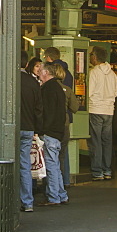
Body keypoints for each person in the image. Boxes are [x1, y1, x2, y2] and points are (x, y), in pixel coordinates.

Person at [37, 62, 68, 206]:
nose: (39, 72)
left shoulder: (48, 89)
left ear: (47, 73)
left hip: (49, 132)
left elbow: (46, 113)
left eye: (41, 70)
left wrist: (41, 129)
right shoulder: (59, 88)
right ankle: (61, 194)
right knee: (55, 165)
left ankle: (54, 197)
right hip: (57, 132)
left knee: (50, 165)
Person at [88, 46, 117, 181]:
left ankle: (97, 171)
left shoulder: (94, 72)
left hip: (95, 109)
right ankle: (107, 170)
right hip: (109, 110)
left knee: (96, 141)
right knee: (107, 141)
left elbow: (89, 92)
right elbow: (116, 93)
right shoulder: (112, 74)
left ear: (94, 57)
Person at [19, 51, 43, 212]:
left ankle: (8, 200)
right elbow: (38, 109)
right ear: (27, 64)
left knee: (7, 164)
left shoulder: (8, 79)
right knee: (24, 165)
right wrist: (37, 129)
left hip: (10, 128)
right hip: (28, 128)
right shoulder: (33, 83)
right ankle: (27, 201)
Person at [51, 61, 80, 188]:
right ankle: (62, 184)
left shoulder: (47, 88)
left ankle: (52, 187)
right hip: (65, 124)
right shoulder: (67, 90)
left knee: (51, 158)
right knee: (61, 156)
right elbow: (75, 107)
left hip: (51, 126)